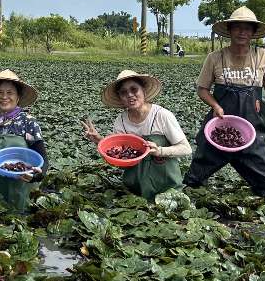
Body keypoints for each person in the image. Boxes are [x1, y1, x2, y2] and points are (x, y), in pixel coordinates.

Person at [184, 6, 265, 197]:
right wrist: (215, 105)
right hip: (219, 127)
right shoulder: (215, 58)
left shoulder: (264, 57)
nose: (242, 32)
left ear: (254, 33)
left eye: (247, 28)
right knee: (193, 182)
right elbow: (202, 89)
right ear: (230, 31)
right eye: (237, 27)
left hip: (251, 130)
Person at [82, 70, 191, 201]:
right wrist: (100, 141)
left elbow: (186, 148)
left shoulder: (162, 116)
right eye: (124, 92)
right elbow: (120, 159)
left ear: (143, 91)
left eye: (134, 89)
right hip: (135, 190)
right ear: (120, 98)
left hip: (167, 188)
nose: (130, 95)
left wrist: (160, 150)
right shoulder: (120, 121)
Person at [0, 69, 47, 211]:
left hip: (19, 192)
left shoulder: (28, 122)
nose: (4, 97)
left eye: (10, 92)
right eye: (0, 92)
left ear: (18, 97)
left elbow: (42, 159)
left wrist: (36, 175)